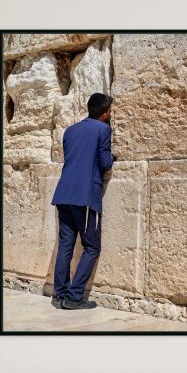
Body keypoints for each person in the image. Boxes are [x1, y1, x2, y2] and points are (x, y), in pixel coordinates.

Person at [50, 92, 113, 310]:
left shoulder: (70, 130)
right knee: (92, 247)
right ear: (105, 114)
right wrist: (112, 157)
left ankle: (59, 295)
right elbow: (105, 163)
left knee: (65, 246)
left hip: (63, 195)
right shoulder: (103, 129)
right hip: (85, 197)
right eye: (110, 111)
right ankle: (74, 297)